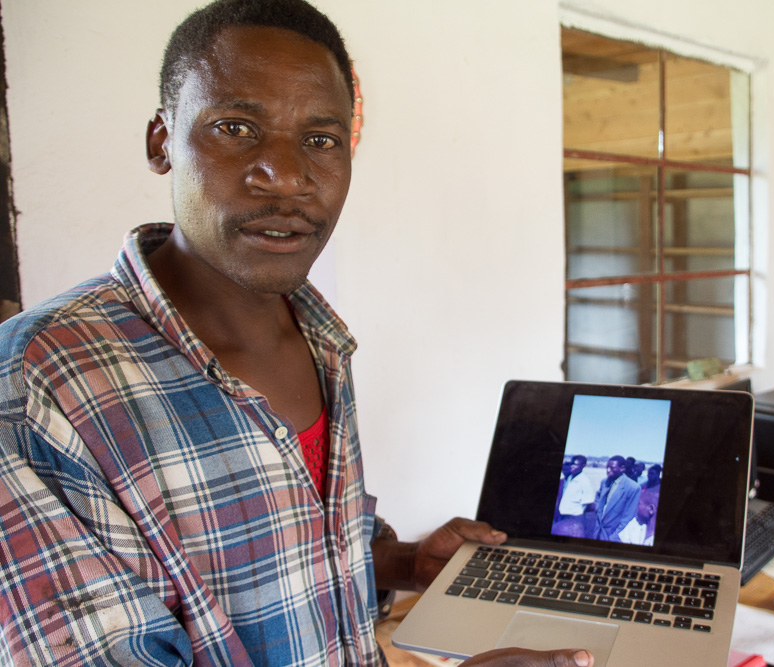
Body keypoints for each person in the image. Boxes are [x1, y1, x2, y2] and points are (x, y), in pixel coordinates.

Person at [0, 2, 593, 666]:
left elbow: (287, 553)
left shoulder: (320, 337)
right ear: (161, 141)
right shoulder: (37, 384)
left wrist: (404, 561)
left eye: (320, 139)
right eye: (235, 127)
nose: (285, 174)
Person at [591, 456, 641, 541]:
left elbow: (628, 517)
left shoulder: (633, 487)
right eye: (607, 467)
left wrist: (614, 536)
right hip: (598, 532)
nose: (608, 470)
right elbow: (598, 496)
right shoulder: (605, 482)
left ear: (622, 468)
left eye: (612, 468)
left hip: (613, 535)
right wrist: (597, 508)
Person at [552, 455, 595, 538]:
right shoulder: (570, 478)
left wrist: (577, 513)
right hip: (563, 515)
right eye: (571, 464)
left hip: (574, 517)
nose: (572, 466)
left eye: (575, 464)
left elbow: (588, 503)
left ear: (583, 466)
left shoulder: (584, 481)